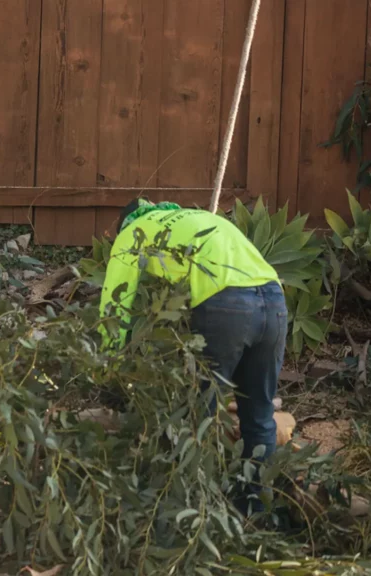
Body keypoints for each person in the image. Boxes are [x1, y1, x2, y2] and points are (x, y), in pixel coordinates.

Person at [99, 199, 286, 509]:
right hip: (275, 301)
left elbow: (114, 306)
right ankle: (254, 510)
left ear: (125, 224)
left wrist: (110, 367)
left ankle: (193, 509)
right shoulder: (195, 218)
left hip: (227, 305)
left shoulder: (132, 233)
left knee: (198, 415)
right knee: (259, 415)